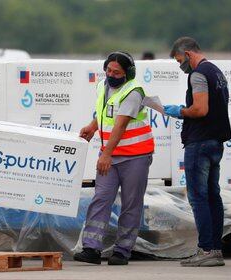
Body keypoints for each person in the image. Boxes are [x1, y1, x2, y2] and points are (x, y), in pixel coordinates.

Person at [74, 51, 154, 265]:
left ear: (127, 74)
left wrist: (106, 153)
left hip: (135, 157)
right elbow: (102, 112)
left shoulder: (133, 91)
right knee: (101, 198)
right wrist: (92, 127)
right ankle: (91, 248)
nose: (111, 75)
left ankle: (122, 251)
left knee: (131, 204)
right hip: (110, 155)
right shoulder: (103, 86)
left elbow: (120, 124)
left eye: (116, 72)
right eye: (108, 70)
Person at [164, 37, 231, 267]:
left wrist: (180, 111)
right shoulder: (217, 72)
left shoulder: (198, 74)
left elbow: (201, 109)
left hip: (200, 142)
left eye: (180, 60)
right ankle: (215, 249)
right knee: (213, 196)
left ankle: (205, 249)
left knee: (199, 197)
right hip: (216, 141)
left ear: (189, 54)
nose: (180, 65)